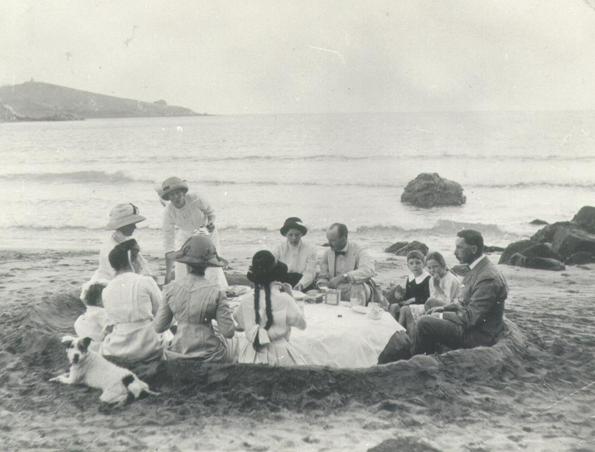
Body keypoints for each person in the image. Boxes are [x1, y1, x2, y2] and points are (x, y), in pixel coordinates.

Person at [378, 229, 508, 363]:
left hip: (477, 334)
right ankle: (424, 350)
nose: (455, 252)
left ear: (474, 249)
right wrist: (444, 308)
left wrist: (441, 315)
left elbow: (470, 319)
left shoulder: (487, 278)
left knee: (424, 322)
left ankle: (413, 358)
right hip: (470, 323)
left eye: (460, 248)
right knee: (432, 303)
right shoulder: (477, 268)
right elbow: (464, 302)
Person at [153, 235, 236, 362]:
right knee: (234, 343)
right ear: (208, 265)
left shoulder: (170, 289)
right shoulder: (216, 291)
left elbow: (159, 327)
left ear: (185, 263)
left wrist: (181, 315)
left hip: (177, 352)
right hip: (209, 355)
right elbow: (228, 332)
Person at [234, 250, 307, 366]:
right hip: (279, 352)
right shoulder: (285, 299)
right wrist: (291, 297)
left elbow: (239, 322)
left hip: (251, 353)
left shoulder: (246, 300)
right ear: (276, 276)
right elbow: (302, 323)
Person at [100, 239, 164, 364]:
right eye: (139, 257)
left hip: (117, 348)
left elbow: (109, 323)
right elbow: (162, 314)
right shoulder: (145, 281)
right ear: (132, 260)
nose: (142, 261)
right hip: (147, 346)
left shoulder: (106, 289)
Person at [158, 176, 227, 288]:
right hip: (186, 237)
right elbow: (168, 243)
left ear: (183, 192)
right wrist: (167, 274)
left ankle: (215, 292)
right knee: (181, 268)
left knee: (211, 266)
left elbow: (211, 214)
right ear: (169, 197)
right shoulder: (168, 212)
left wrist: (210, 223)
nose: (176, 197)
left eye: (178, 193)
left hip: (207, 234)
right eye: (172, 195)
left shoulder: (196, 198)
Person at [80, 203, 152, 300]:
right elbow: (120, 277)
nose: (135, 227)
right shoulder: (112, 248)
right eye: (132, 224)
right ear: (124, 225)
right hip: (105, 288)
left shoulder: (123, 241)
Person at [399, 251, 461, 337]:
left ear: (443, 265)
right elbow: (432, 297)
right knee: (406, 309)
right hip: (433, 306)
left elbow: (448, 302)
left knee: (411, 311)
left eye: (435, 266)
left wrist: (437, 287)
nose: (432, 270)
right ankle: (407, 338)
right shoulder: (432, 279)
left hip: (448, 309)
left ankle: (412, 341)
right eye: (429, 267)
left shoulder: (451, 280)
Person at [316, 223, 377, 303]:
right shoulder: (327, 253)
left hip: (356, 289)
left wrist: (344, 277)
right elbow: (323, 275)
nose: (329, 243)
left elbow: (369, 270)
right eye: (328, 240)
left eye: (333, 240)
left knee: (357, 287)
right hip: (335, 291)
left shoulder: (359, 250)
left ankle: (357, 313)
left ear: (344, 238)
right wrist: (323, 284)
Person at [273, 217, 318, 291]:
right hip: (283, 283)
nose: (294, 238)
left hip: (304, 283)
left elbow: (310, 272)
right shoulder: (279, 249)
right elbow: (272, 267)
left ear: (302, 234)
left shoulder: (310, 250)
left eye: (297, 235)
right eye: (290, 235)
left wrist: (301, 284)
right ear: (285, 234)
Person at [388, 250, 431, 321]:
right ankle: (392, 326)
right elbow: (408, 295)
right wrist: (401, 297)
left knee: (404, 309)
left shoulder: (427, 278)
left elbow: (428, 297)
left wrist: (412, 299)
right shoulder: (410, 277)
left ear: (424, 264)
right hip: (410, 304)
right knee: (393, 306)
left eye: (418, 263)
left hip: (421, 305)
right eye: (411, 263)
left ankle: (400, 329)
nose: (415, 266)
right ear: (408, 266)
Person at [74, 282, 108, 348]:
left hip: (88, 341)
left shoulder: (88, 313)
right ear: (99, 301)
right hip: (99, 345)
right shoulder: (101, 313)